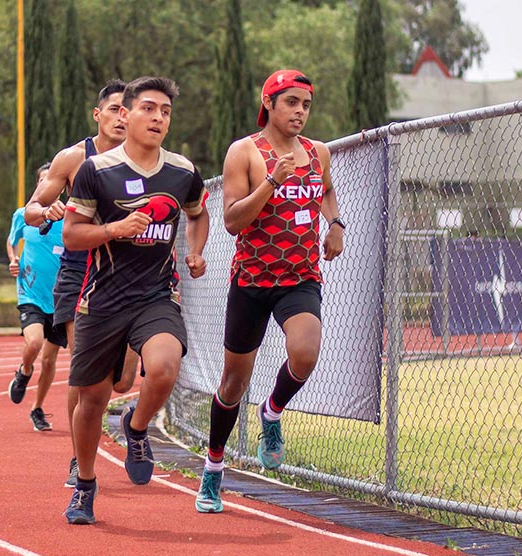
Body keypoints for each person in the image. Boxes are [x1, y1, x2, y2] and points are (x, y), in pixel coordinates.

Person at [61, 76, 209, 525]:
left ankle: (137, 426)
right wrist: (113, 230)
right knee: (92, 398)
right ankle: (85, 484)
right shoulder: (96, 169)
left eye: (165, 111)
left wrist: (196, 250)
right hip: (102, 300)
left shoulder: (182, 171)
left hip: (155, 295)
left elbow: (198, 213)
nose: (159, 118)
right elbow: (71, 234)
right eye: (149, 108)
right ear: (125, 114)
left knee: (164, 367)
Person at [195, 69, 344, 514]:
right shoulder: (245, 152)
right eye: (292, 103)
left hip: (300, 277)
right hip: (252, 282)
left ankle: (273, 413)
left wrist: (334, 224)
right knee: (233, 383)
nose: (300, 112)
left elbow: (328, 192)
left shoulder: (319, 153)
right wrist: (273, 181)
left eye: (306, 104)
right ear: (270, 104)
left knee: (305, 352)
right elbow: (232, 220)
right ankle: (214, 468)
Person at [23, 79, 140, 487]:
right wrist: (47, 209)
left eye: (129, 110)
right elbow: (30, 210)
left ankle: (133, 421)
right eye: (114, 110)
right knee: (84, 372)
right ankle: (80, 458)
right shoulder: (73, 158)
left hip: (130, 274)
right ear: (98, 114)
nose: (121, 118)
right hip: (79, 272)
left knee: (123, 380)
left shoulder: (146, 158)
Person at [6, 163, 67, 432]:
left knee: (50, 360)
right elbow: (12, 240)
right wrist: (13, 259)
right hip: (30, 292)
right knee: (34, 342)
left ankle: (38, 407)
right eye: (42, 182)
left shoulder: (71, 218)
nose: (48, 187)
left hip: (61, 298)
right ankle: (24, 371)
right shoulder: (23, 214)